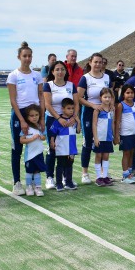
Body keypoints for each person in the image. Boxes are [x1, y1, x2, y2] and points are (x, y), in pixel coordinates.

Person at [7, 42, 44, 196]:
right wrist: (22, 120)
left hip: (35, 113)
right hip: (19, 114)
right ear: (19, 57)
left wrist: (41, 117)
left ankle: (34, 182)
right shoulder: (13, 75)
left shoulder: (37, 75)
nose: (27, 59)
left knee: (35, 146)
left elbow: (41, 96)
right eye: (24, 56)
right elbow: (13, 99)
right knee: (17, 148)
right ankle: (17, 182)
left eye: (29, 56)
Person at [42, 60, 79, 190]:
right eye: (57, 69)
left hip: (69, 122)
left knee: (68, 149)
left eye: (62, 69)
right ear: (52, 72)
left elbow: (76, 103)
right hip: (54, 120)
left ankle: (66, 177)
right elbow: (47, 104)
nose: (60, 71)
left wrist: (74, 117)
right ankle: (50, 177)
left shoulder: (71, 85)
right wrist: (59, 118)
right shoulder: (48, 85)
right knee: (53, 148)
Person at [77, 53, 112, 184]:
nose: (98, 64)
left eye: (100, 62)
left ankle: (103, 174)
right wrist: (93, 105)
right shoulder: (85, 78)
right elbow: (79, 97)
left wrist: (111, 105)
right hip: (89, 112)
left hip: (104, 113)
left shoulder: (107, 77)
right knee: (88, 142)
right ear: (90, 62)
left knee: (103, 142)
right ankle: (85, 173)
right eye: (95, 62)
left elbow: (111, 94)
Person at [48, 98, 80, 190]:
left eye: (72, 108)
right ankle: (58, 183)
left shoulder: (73, 120)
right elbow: (53, 132)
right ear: (63, 109)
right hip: (61, 147)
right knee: (60, 165)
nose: (71, 110)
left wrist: (78, 121)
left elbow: (78, 131)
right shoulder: (59, 120)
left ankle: (68, 182)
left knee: (69, 164)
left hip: (71, 147)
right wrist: (52, 141)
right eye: (68, 108)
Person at [114, 85, 135, 184]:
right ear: (123, 94)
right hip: (125, 134)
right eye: (127, 93)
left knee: (132, 153)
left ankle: (129, 174)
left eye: (132, 93)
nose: (130, 95)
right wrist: (116, 135)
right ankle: (125, 175)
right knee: (126, 153)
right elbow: (117, 121)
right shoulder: (121, 105)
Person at [20, 104, 46, 196]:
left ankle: (38, 187)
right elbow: (21, 140)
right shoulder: (26, 128)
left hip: (39, 153)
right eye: (31, 115)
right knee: (29, 171)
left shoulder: (40, 126)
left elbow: (44, 137)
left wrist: (42, 137)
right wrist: (32, 138)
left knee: (37, 170)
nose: (34, 117)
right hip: (30, 155)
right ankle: (29, 187)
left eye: (36, 115)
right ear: (27, 117)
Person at [92, 88, 115, 186]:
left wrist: (114, 135)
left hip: (108, 137)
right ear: (100, 98)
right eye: (105, 97)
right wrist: (96, 138)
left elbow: (112, 123)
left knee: (106, 156)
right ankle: (98, 177)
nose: (107, 99)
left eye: (109, 97)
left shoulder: (112, 110)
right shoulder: (97, 110)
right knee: (98, 156)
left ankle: (105, 176)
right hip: (99, 137)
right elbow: (94, 124)